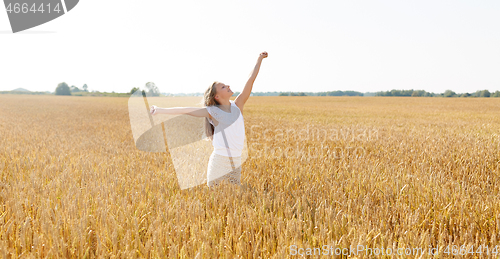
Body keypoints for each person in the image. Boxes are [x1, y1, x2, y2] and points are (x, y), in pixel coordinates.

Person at [150, 51, 268, 187]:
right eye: (223, 87)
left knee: (235, 197)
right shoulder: (213, 112)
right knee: (214, 197)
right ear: (216, 97)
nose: (228, 86)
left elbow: (250, 80)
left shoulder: (238, 105)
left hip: (236, 161)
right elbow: (185, 110)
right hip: (219, 161)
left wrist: (259, 59)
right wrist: (159, 110)